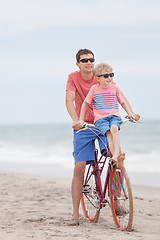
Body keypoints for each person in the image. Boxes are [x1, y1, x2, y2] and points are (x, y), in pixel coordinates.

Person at [65, 49, 139, 226]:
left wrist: (131, 113)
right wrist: (77, 120)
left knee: (115, 157)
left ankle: (118, 202)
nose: (89, 63)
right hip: (84, 126)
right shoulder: (73, 77)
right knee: (80, 166)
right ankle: (75, 214)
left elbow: (120, 97)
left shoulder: (103, 74)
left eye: (91, 59)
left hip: (104, 123)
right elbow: (69, 101)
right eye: (84, 60)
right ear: (78, 64)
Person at [80, 63, 139, 168]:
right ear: (98, 78)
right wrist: (81, 120)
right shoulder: (94, 89)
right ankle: (115, 155)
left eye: (111, 75)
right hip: (100, 119)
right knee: (109, 135)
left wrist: (130, 114)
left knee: (114, 128)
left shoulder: (114, 88)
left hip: (114, 116)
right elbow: (85, 103)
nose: (109, 78)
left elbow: (123, 102)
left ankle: (115, 155)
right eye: (106, 76)